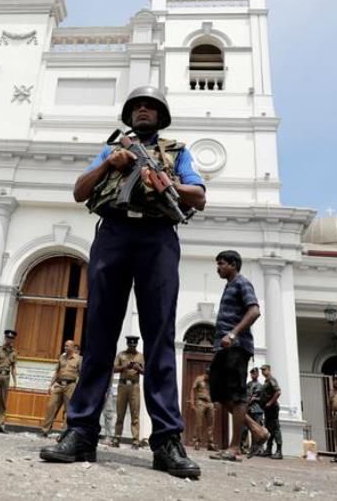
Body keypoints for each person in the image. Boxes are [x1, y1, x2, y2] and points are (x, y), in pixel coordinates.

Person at [40, 86, 206, 479]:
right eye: (137, 107)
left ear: (161, 115)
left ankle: (166, 439)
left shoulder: (177, 151)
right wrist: (109, 164)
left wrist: (165, 182)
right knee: (98, 335)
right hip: (113, 234)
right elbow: (81, 190)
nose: (143, 111)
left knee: (161, 336)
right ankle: (81, 432)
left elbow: (198, 195)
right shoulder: (111, 148)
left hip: (157, 237)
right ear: (129, 115)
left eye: (150, 106)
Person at [208, 250, 268, 462]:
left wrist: (233, 334)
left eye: (221, 263)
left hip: (237, 347)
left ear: (233, 264)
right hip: (223, 349)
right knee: (217, 392)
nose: (218, 268)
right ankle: (256, 429)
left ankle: (234, 448)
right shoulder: (229, 285)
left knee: (237, 395)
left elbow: (254, 311)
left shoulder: (242, 283)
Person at [40, 340, 81, 437]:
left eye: (67, 346)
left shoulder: (78, 359)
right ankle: (45, 430)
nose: (65, 348)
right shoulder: (61, 357)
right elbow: (56, 372)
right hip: (59, 384)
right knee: (51, 406)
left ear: (73, 347)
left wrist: (78, 388)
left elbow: (81, 374)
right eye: (65, 346)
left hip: (70, 385)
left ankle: (65, 432)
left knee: (68, 410)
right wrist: (50, 385)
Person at [110, 335, 145, 448]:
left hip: (134, 386)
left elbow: (146, 371)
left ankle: (135, 441)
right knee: (120, 413)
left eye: (134, 345)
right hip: (122, 384)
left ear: (136, 345)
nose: (132, 347)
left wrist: (138, 369)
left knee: (135, 413)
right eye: (130, 345)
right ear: (127, 344)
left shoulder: (140, 356)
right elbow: (114, 369)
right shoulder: (121, 355)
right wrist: (124, 367)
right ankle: (117, 438)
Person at [259, 364, 283, 459]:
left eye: (264, 370)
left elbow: (278, 392)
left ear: (269, 370)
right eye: (262, 370)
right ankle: (269, 449)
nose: (263, 372)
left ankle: (279, 451)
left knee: (276, 429)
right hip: (268, 409)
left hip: (272, 408)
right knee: (269, 429)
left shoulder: (271, 380)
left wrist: (270, 403)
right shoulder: (266, 381)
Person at [189, 366, 215, 451]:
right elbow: (193, 390)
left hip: (210, 402)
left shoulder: (212, 380)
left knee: (211, 424)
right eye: (209, 374)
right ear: (206, 373)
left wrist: (215, 403)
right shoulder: (199, 379)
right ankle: (197, 442)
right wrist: (192, 402)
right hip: (201, 402)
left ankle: (210, 443)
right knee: (198, 423)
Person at [243, 367, 265, 456]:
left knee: (257, 429)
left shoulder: (259, 385)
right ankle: (245, 447)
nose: (254, 375)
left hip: (256, 410)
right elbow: (246, 395)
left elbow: (253, 398)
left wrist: (246, 405)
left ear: (258, 374)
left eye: (255, 373)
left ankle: (258, 449)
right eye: (252, 373)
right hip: (248, 409)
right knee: (245, 429)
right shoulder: (248, 384)